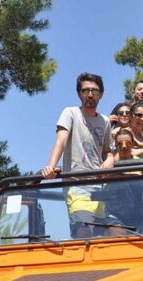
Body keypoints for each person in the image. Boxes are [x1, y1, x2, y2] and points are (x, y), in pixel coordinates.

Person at [42, 72, 115, 238]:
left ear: (101, 95)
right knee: (84, 235)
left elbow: (108, 150)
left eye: (95, 91)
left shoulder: (105, 121)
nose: (90, 95)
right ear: (79, 94)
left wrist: (110, 160)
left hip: (99, 190)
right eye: (85, 91)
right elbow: (61, 140)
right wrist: (51, 166)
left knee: (104, 240)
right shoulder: (71, 113)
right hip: (77, 187)